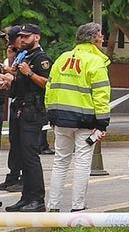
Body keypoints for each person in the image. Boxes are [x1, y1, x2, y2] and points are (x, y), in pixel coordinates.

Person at [44, 23, 110, 212]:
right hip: (86, 121)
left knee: (60, 161)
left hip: (60, 119)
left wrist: (51, 113)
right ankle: (77, 206)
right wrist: (103, 123)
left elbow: (49, 88)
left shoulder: (62, 59)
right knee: (82, 162)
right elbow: (101, 95)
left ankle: (53, 206)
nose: (103, 39)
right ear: (95, 39)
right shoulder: (95, 62)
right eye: (101, 36)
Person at [4, 24, 52, 212]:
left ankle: (37, 199)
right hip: (19, 107)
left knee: (31, 156)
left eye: (26, 36)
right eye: (21, 37)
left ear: (37, 37)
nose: (22, 40)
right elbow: (18, 78)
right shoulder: (24, 56)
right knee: (21, 154)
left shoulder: (41, 58)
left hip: (32, 110)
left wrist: (29, 73)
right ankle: (26, 197)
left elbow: (47, 83)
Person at [2, 26, 25, 192]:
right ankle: (12, 176)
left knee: (25, 144)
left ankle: (24, 179)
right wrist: (10, 59)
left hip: (27, 104)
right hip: (15, 100)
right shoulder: (16, 54)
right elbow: (12, 74)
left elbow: (16, 76)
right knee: (14, 141)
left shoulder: (30, 55)